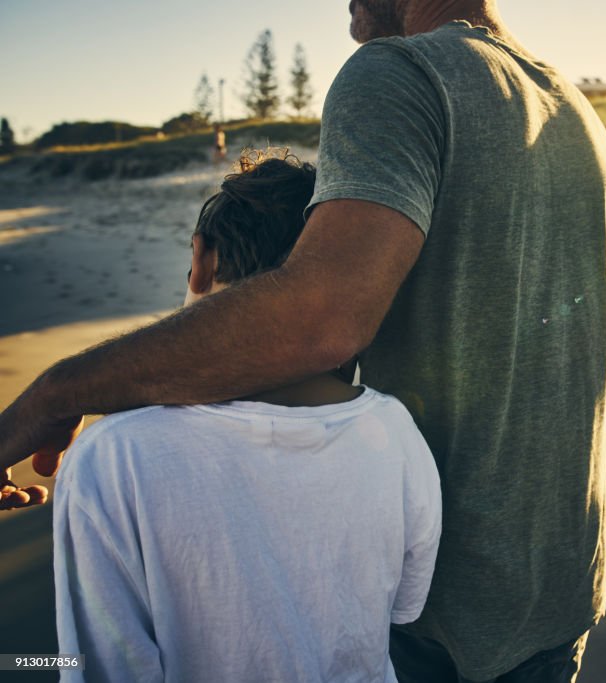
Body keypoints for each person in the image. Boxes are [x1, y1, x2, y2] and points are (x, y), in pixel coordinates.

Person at [0, 1, 606, 681]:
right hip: (560, 593)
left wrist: (56, 393)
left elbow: (322, 316)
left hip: (438, 631)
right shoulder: (576, 113)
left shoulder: (402, 71)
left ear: (202, 260)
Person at [52, 152, 443, 682]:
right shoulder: (394, 431)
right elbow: (402, 607)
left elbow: (97, 667)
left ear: (202, 260)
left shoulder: (113, 457)